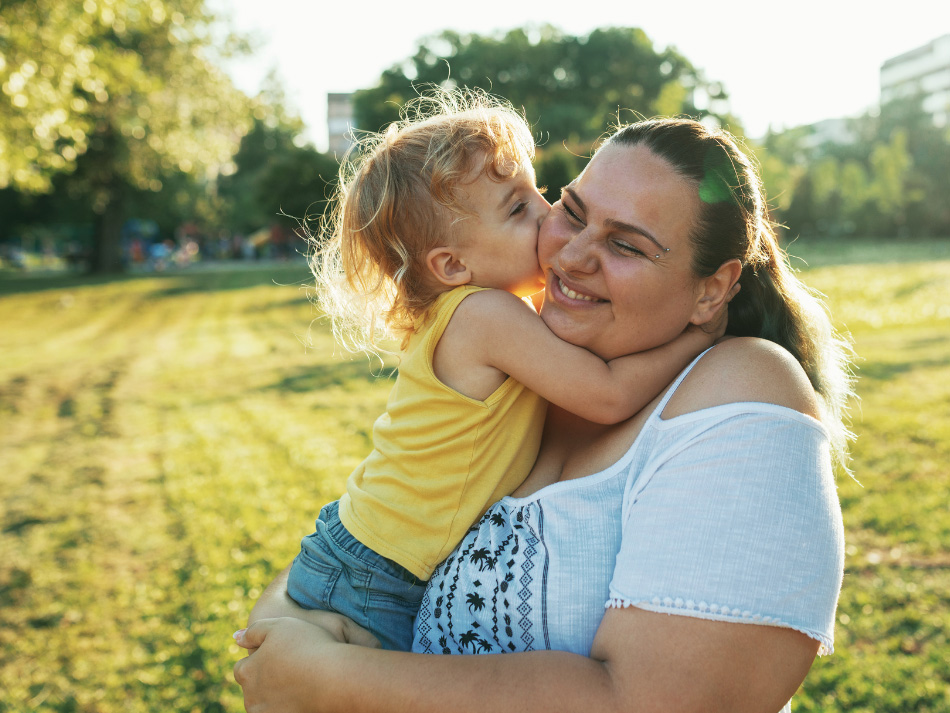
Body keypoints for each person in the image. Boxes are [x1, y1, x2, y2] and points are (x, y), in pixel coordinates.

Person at [234, 116, 854, 713]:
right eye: (572, 212)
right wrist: (286, 642)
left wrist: (335, 678)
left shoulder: (743, 386)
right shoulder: (525, 370)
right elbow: (364, 532)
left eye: (625, 245)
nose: (570, 254)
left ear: (713, 290)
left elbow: (666, 702)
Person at [284, 92, 722, 652]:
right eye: (518, 209)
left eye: (538, 192)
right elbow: (608, 395)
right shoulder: (483, 315)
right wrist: (698, 336)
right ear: (452, 265)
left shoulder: (477, 315)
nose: (548, 215)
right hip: (374, 574)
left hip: (373, 551)